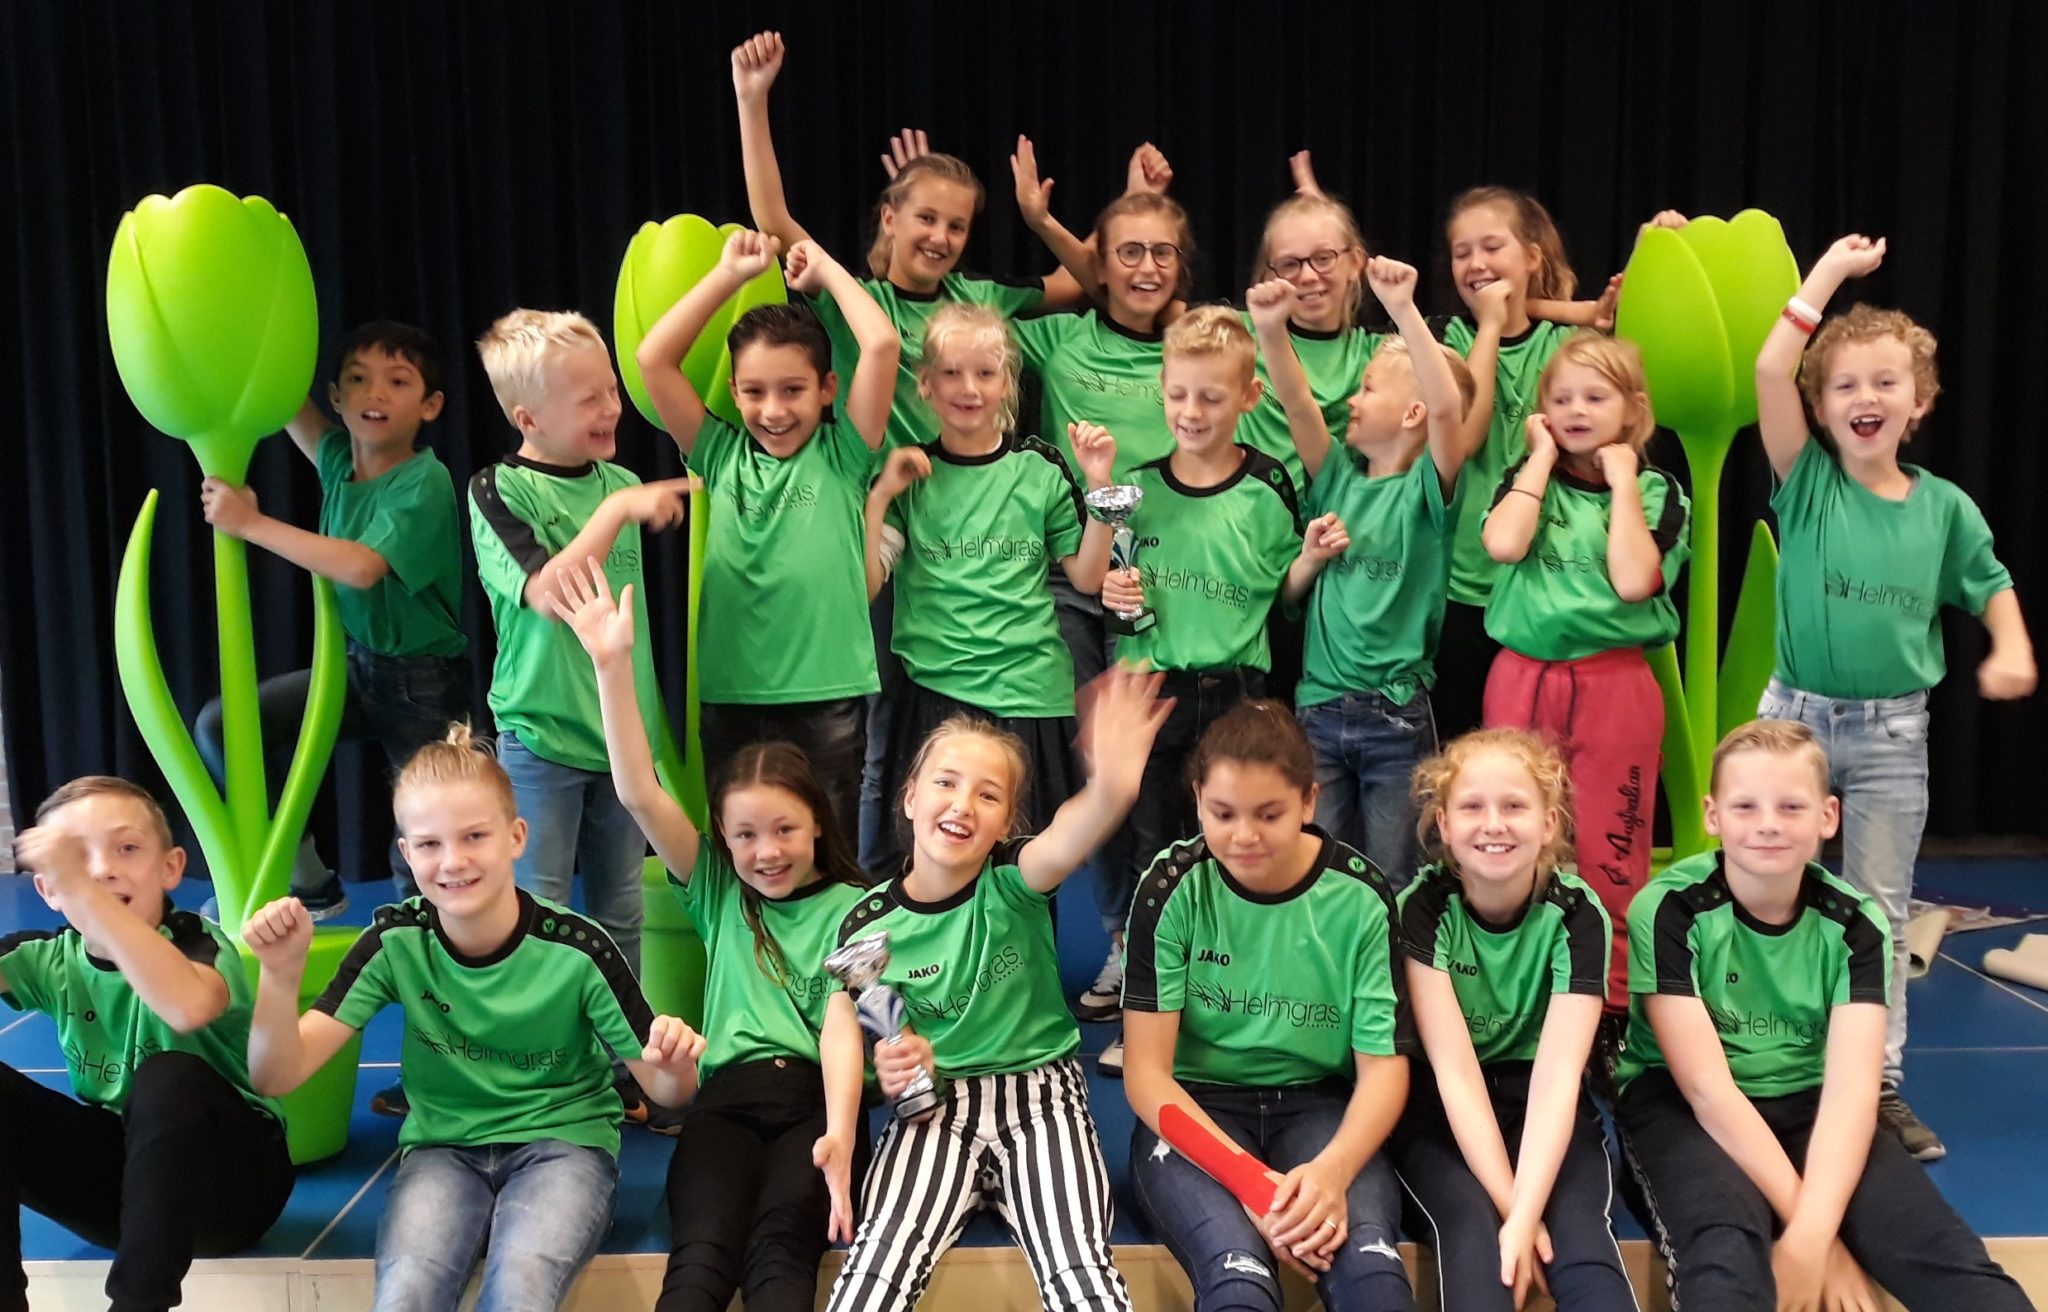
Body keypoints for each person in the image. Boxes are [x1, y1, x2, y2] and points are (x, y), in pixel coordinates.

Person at [243, 725, 705, 1312]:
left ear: (516, 837)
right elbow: (276, 1075)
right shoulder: (394, 940)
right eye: (430, 844)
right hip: (443, 1151)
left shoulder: (577, 948)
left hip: (563, 1145)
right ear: (407, 855)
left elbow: (669, 1090)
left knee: (520, 1288)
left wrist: (675, 1063)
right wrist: (279, 978)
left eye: (474, 836)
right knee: (406, 1293)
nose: (453, 860)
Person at [1751, 232, 2037, 1160]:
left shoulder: (1945, 508)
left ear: (1919, 402)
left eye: (1885, 383)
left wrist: (2012, 643)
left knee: (1873, 909)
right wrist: (1829, 276)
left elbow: (1990, 582)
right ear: (1820, 407)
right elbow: (1769, 363)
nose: (1865, 399)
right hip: (1791, 724)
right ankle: (1762, 1069)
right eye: (1844, 385)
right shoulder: (1807, 485)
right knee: (1763, 893)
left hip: (1887, 737)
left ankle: (1874, 1089)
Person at [1613, 720, 2032, 1312]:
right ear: (1712, 815)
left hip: (1812, 1106)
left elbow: (1851, 1093)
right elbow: (1708, 1093)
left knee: (1946, 1257)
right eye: (1745, 805)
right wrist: (1823, 1244)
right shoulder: (1671, 909)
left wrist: (1810, 1235)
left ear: (1827, 816)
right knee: (1726, 1254)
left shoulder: (1855, 922)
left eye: (1790, 806)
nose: (1767, 823)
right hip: (1685, 1111)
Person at [556, 558, 871, 1312]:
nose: (766, 852)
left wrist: (840, 1136)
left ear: (818, 824)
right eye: (746, 835)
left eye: (785, 830)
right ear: (724, 842)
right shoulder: (720, 890)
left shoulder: (858, 907)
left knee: (778, 1263)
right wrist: (611, 663)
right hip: (721, 1105)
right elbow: (637, 789)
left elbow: (840, 1031)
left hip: (809, 1108)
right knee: (698, 1266)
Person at [821, 668, 1171, 1312]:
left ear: (1009, 821)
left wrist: (1112, 787)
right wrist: (850, 1118)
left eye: (988, 796)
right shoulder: (868, 922)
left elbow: (1073, 831)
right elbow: (845, 1025)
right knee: (874, 1271)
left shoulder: (1014, 878)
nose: (961, 805)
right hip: (935, 1111)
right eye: (946, 784)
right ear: (908, 797)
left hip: (1042, 1100)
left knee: (1080, 1273)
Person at [1122, 701, 1417, 1311]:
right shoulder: (1171, 887)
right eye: (1222, 813)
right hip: (1197, 1110)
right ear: (1198, 798)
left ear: (1309, 801)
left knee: (1371, 1274)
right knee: (1239, 1280)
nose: (1244, 835)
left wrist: (1333, 1173)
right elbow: (1147, 1074)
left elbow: (1385, 1069)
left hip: (1319, 1108)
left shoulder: (1359, 897)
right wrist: (1254, 1186)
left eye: (1270, 814)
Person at [1090, 308, 1326, 1070]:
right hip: (1153, 689)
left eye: (1211, 399)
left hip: (1236, 696)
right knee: (1154, 852)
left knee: (1228, 852)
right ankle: (1147, 1009)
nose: (1192, 413)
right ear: (1160, 393)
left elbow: (1284, 596)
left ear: (1248, 397)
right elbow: (1117, 590)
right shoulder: (1135, 489)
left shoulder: (1267, 485)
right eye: (1179, 396)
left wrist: (1312, 562)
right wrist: (1117, 602)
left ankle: (1227, 1000)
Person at [196, 321, 471, 917]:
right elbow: (288, 396)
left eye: (397, 382)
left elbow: (362, 567)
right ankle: (309, 879)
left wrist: (250, 524)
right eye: (358, 380)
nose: (375, 394)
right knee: (224, 726)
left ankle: (431, 949)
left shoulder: (425, 480)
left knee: (423, 826)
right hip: (358, 666)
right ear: (338, 397)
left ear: (430, 405)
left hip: (422, 680)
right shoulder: (338, 457)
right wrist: (255, 328)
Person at [634, 228, 897, 834]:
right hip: (733, 703)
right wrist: (728, 276)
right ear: (733, 392)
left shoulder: (844, 452)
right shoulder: (718, 454)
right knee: (741, 862)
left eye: (793, 390)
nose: (773, 410)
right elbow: (654, 359)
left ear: (828, 389)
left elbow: (880, 343)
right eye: (754, 392)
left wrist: (827, 267)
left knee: (828, 860)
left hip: (826, 700)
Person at [1, 777, 293, 1312]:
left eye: (126, 848)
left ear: (171, 868)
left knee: (168, 1076)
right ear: (46, 889)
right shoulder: (42, 958)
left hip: (234, 1191)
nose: (103, 869)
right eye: (76, 857)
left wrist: (87, 893)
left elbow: (187, 1006)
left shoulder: (196, 942)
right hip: (124, 1195)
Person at [469, 308, 695, 975]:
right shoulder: (499, 488)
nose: (610, 408)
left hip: (623, 745)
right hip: (542, 740)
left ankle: (619, 1059)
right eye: (587, 397)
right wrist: (616, 512)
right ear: (528, 420)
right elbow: (547, 593)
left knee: (622, 915)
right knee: (537, 913)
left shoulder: (620, 483)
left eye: (611, 389)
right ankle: (542, 1054)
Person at [1481, 331, 1690, 1012]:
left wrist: (1625, 479)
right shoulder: (1526, 478)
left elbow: (1634, 581)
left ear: (1632, 409)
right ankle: (1514, 994)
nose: (1576, 409)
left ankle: (1612, 1005)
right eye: (1561, 397)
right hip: (1523, 677)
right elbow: (1504, 543)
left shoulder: (1659, 494)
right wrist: (1538, 459)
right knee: (1509, 836)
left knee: (1611, 848)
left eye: (1595, 396)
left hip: (1614, 686)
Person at [1249, 256, 1476, 882]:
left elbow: (1449, 411)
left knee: (1396, 873)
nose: (1352, 398)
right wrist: (1270, 330)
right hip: (1317, 710)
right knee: (1319, 865)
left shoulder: (1428, 494)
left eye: (1370, 388)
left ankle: (1398, 979)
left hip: (1394, 716)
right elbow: (1298, 408)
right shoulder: (1338, 481)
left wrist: (1403, 311)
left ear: (1411, 414)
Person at [864, 302, 1113, 871]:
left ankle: (1024, 966)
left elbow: (1087, 575)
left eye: (984, 373)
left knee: (1024, 869)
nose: (967, 388)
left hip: (1027, 697)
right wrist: (879, 498)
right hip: (936, 695)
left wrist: (1099, 485)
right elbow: (867, 583)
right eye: (950, 373)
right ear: (924, 385)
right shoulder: (911, 473)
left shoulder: (1041, 469)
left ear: (1006, 383)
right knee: (932, 863)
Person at [1393, 729, 1635, 1310]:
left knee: (1581, 1251)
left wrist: (1530, 1215)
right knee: (1476, 1244)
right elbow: (1454, 1074)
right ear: (1444, 825)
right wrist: (1513, 1211)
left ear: (1550, 823)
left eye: (1515, 806)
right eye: (1472, 806)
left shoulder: (1578, 914)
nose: (1494, 824)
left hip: (1543, 1106)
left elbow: (1557, 1080)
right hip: (1445, 1117)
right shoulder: (1422, 911)